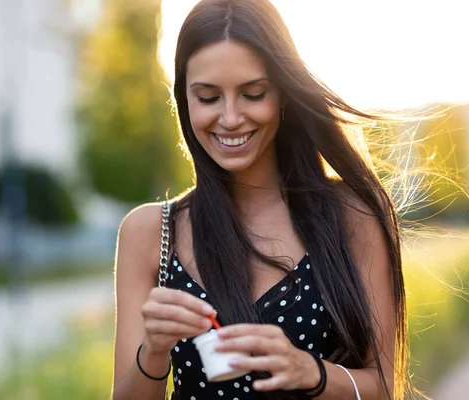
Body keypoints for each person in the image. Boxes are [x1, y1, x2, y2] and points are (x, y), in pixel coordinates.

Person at [112, 0, 408, 399]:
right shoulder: (150, 233)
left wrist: (312, 372)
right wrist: (153, 351)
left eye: (253, 94)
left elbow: (384, 388)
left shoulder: (351, 215)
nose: (231, 117)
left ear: (283, 93)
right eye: (208, 97)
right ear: (184, 99)